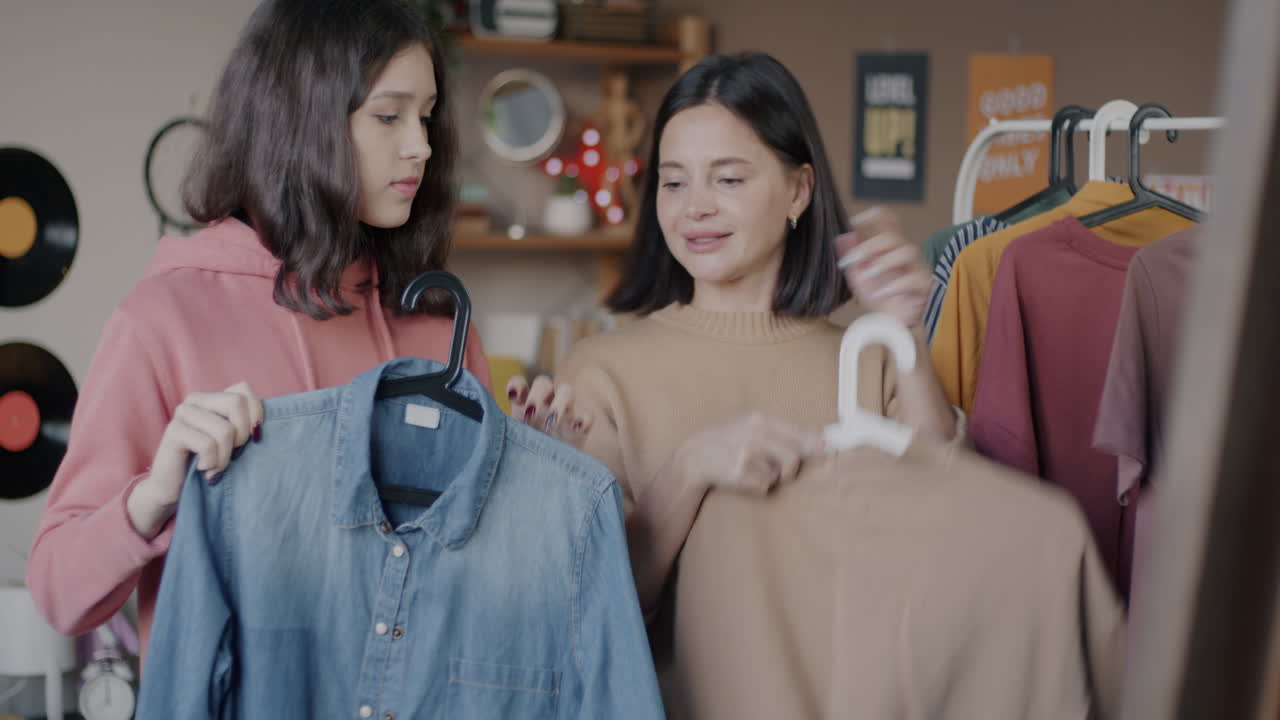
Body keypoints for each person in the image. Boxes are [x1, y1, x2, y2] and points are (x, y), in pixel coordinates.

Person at [25, 0, 573, 660]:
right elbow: (60, 591)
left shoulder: (437, 323)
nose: (420, 146)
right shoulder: (162, 320)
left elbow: (485, 580)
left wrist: (534, 473)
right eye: (389, 115)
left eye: (425, 117)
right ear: (299, 118)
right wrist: (153, 499)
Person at [508, 50, 960, 713]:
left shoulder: (874, 359)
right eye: (673, 182)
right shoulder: (600, 374)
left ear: (799, 190)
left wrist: (909, 332)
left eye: (727, 179)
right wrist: (692, 467)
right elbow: (597, 607)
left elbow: (955, 531)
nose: (695, 209)